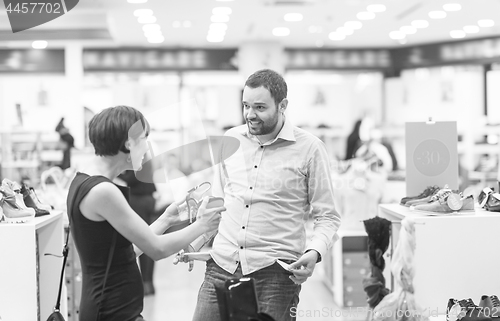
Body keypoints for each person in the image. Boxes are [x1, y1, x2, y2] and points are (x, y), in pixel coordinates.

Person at [189, 69, 342, 321]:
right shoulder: (231, 139)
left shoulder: (310, 149)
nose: (250, 114)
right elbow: (219, 203)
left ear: (283, 105)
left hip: (275, 274)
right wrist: (194, 241)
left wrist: (314, 252)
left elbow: (328, 216)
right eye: (246, 105)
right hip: (221, 264)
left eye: (260, 107)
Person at [66, 105, 224, 321]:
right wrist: (203, 225)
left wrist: (166, 219)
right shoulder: (103, 191)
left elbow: (124, 253)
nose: (147, 148)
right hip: (110, 312)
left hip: (110, 308)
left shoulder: (85, 181)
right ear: (127, 143)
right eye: (143, 138)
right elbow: (157, 249)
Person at [118, 167, 158, 296]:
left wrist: (116, 171)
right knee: (147, 239)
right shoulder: (144, 160)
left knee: (143, 241)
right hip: (148, 200)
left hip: (139, 201)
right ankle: (148, 283)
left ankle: (145, 284)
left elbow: (130, 179)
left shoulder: (136, 162)